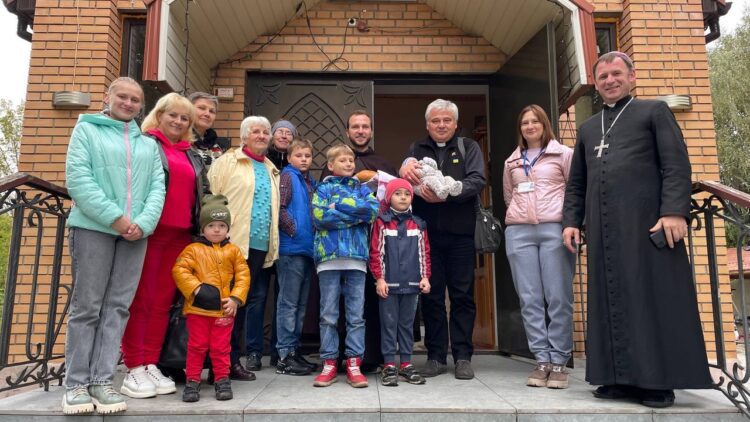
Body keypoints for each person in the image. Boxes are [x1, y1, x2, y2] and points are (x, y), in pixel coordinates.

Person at [562, 51, 713, 408]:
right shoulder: (587, 128)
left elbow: (676, 165)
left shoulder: (653, 112)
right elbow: (576, 183)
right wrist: (571, 221)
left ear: (632, 77)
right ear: (596, 85)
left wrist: (675, 212)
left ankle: (656, 381)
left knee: (649, 298)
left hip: (646, 222)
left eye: (616, 74)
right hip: (602, 229)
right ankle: (616, 378)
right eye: (602, 77)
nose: (610, 81)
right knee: (608, 296)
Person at [62, 77, 165, 415]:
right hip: (94, 228)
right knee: (87, 307)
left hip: (136, 234)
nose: (129, 103)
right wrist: (117, 219)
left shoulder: (148, 145)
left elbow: (156, 188)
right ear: (108, 97)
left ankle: (101, 380)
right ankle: (76, 384)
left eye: (135, 99)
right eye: (123, 96)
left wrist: (143, 224)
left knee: (118, 307)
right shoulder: (87, 131)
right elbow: (78, 179)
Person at [120, 92, 208, 399]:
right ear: (159, 115)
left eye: (185, 118)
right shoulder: (147, 144)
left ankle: (150, 362)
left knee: (161, 303)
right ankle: (133, 365)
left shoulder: (191, 153)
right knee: (140, 300)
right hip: (150, 232)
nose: (179, 121)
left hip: (181, 236)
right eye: (173, 115)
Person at [400, 99, 486, 380]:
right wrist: (411, 185)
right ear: (427, 124)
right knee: (432, 296)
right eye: (435, 121)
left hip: (461, 235)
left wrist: (449, 192)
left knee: (462, 296)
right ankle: (436, 356)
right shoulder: (415, 149)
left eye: (446, 120)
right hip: (427, 237)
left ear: (455, 124)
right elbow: (404, 185)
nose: (441, 125)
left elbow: (477, 181)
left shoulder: (468, 147)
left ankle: (463, 356)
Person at [503, 105, 575, 389]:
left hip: (554, 229)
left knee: (558, 296)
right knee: (529, 298)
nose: (530, 126)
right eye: (524, 123)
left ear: (545, 124)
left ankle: (559, 361)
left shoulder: (564, 154)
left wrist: (571, 224)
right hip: (519, 232)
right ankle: (541, 359)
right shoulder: (512, 161)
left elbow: (574, 191)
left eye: (535, 121)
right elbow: (509, 196)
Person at [320, 110, 397, 373]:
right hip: (333, 251)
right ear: (347, 131)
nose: (361, 130)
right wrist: (356, 213)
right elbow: (321, 214)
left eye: (365, 126)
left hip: (370, 246)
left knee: (365, 306)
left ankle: (368, 357)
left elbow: (378, 208)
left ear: (371, 131)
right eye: (355, 126)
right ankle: (335, 357)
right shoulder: (328, 175)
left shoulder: (383, 163)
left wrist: (343, 210)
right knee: (332, 308)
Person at [208, 115, 280, 378]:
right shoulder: (228, 162)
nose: (261, 136)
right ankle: (221, 362)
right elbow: (212, 198)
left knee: (243, 304)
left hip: (259, 247)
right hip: (233, 245)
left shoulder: (272, 168)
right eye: (256, 132)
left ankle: (230, 361)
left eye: (265, 132)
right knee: (226, 305)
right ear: (244, 137)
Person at [311, 144, 379, 388]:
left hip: (357, 259)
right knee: (328, 315)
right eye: (343, 160)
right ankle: (329, 362)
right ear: (331, 165)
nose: (350, 164)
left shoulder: (363, 189)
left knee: (356, 316)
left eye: (351, 160)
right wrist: (353, 216)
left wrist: (337, 208)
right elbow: (319, 218)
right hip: (328, 260)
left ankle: (353, 363)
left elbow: (371, 211)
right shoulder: (322, 189)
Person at [173, 195, 251, 403]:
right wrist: (196, 288)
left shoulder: (233, 251)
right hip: (198, 311)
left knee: (221, 347)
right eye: (211, 225)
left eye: (221, 226)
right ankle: (192, 380)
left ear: (228, 228)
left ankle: (222, 379)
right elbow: (179, 270)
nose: (217, 230)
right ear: (203, 228)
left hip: (224, 310)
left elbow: (243, 275)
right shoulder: (193, 250)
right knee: (196, 346)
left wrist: (235, 298)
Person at [369, 178, 431, 387]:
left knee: (406, 325)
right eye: (398, 193)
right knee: (388, 325)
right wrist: (379, 279)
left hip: (412, 285)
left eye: (406, 194)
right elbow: (376, 253)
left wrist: (425, 277)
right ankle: (388, 365)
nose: (403, 197)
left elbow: (424, 253)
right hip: (389, 285)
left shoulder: (419, 223)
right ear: (389, 197)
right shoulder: (382, 222)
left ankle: (405, 363)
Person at [275, 139, 319, 375]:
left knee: (301, 305)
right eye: (299, 155)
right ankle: (284, 355)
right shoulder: (288, 177)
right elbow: (279, 207)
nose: (304, 159)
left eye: (308, 155)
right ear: (290, 158)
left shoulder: (309, 181)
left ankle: (294, 351)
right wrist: (293, 229)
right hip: (291, 249)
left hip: (307, 249)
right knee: (288, 303)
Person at [188, 92, 230, 168]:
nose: (207, 114)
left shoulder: (220, 146)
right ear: (188, 110)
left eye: (212, 111)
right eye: (201, 108)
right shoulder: (179, 139)